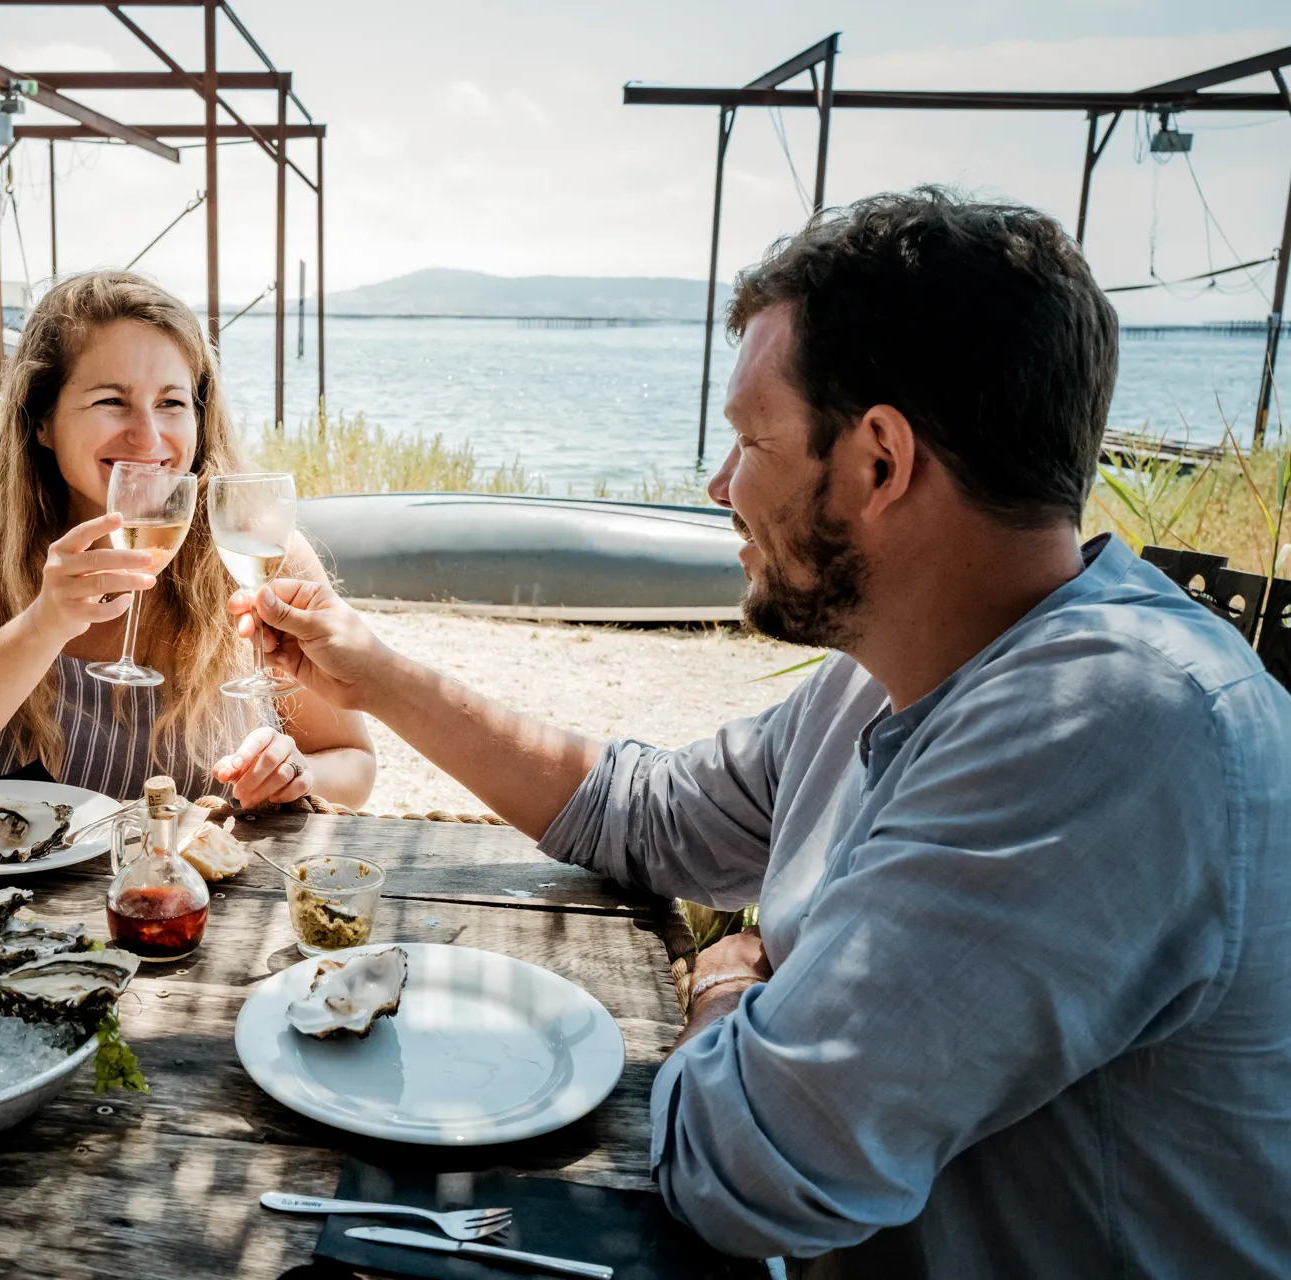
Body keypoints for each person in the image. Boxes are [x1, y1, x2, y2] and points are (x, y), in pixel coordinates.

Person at [227, 190, 1291, 1275]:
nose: (718, 485)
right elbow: (642, 809)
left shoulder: (1111, 727)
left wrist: (728, 984)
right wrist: (376, 669)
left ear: (881, 459)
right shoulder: (887, 672)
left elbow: (745, 1167)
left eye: (748, 441)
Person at [0, 271, 375, 810]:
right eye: (111, 401)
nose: (149, 437)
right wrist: (44, 623)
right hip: (33, 894)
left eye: (172, 403)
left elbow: (352, 760)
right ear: (41, 421)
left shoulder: (258, 554)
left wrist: (296, 775)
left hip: (212, 893)